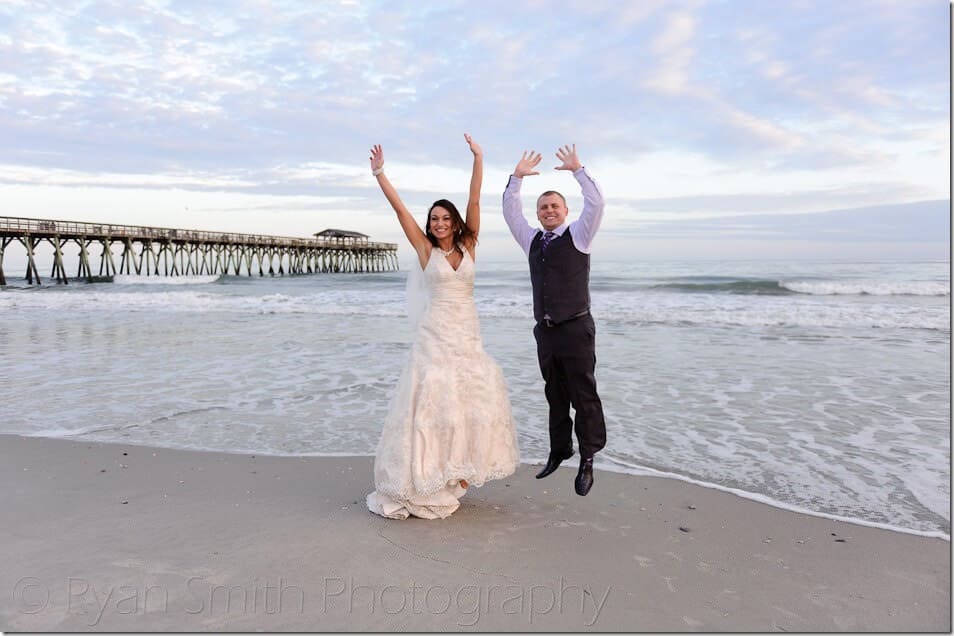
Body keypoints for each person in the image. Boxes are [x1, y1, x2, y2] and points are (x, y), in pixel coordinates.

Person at [365, 134, 520, 519]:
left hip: (466, 331)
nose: (438, 223)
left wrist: (479, 157)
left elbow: (475, 199)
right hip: (434, 333)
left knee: (467, 398)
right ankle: (427, 472)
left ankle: (457, 472)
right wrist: (381, 174)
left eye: (445, 218)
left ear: (454, 222)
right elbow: (400, 211)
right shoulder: (425, 250)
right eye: (434, 219)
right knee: (434, 399)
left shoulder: (469, 245)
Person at [502, 144, 606, 496]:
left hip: (576, 327)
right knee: (555, 393)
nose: (548, 211)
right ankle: (559, 450)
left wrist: (578, 170)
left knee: (583, 394)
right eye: (543, 207)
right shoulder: (531, 239)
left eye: (554, 206)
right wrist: (516, 178)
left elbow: (597, 204)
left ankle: (588, 457)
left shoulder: (580, 234)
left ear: (564, 211)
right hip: (545, 331)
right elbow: (510, 213)